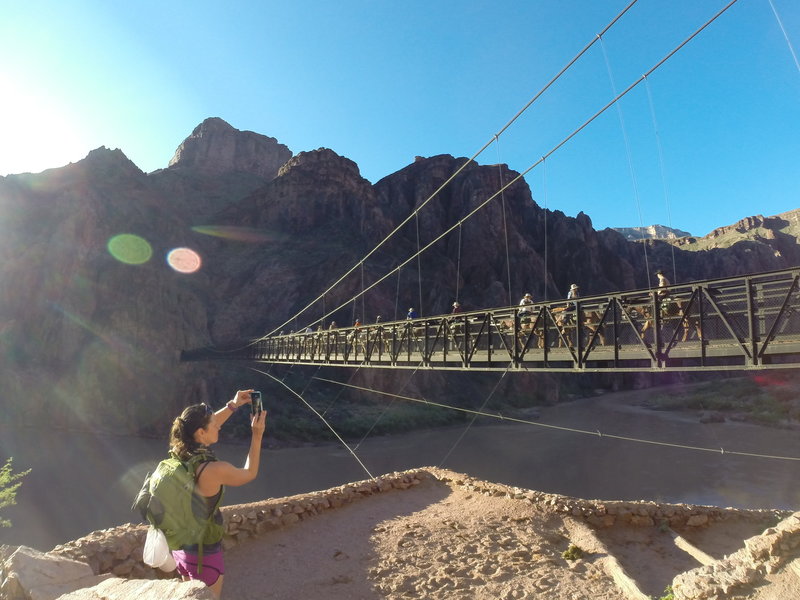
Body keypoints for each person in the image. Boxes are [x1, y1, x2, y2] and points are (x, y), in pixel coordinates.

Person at [168, 391, 266, 597]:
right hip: (204, 556)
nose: (219, 425)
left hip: (180, 549)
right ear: (201, 433)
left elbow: (198, 426)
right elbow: (249, 473)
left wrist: (233, 405)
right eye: (214, 424)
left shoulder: (180, 454)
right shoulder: (213, 470)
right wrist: (257, 435)